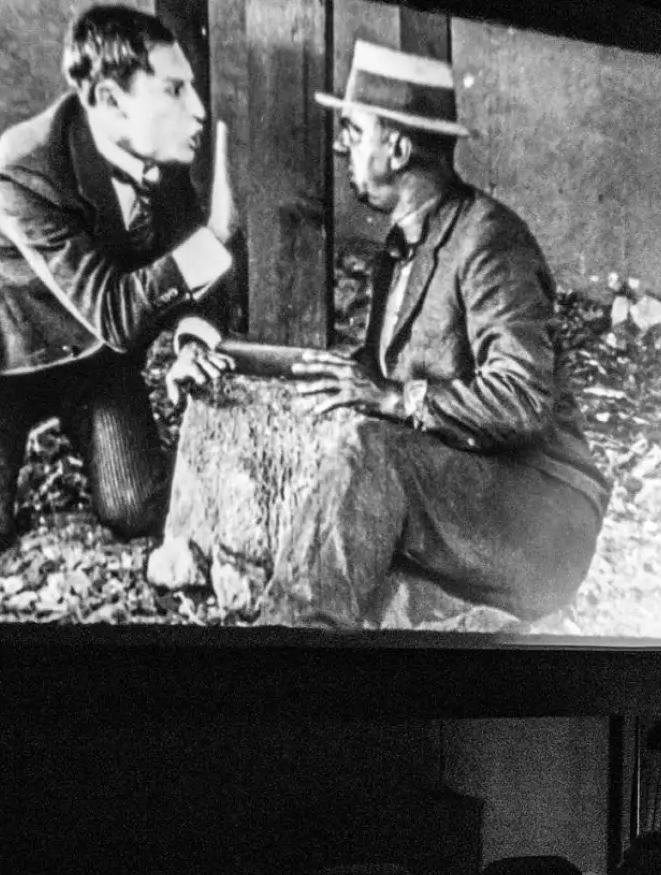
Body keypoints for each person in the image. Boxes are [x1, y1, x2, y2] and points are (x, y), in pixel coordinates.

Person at [252, 39, 609, 627]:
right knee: (370, 567)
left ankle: (285, 651)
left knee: (373, 452)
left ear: (396, 148)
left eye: (353, 131)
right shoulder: (400, 250)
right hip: (466, 502)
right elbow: (383, 387)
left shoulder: (489, 240)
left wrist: (398, 399)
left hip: (541, 518)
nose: (343, 147)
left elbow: (522, 399)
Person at [0, 5, 239, 557]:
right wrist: (217, 236)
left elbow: (189, 273)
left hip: (94, 359)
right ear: (109, 100)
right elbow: (116, 311)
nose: (198, 111)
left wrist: (193, 338)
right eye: (175, 91)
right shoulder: (22, 170)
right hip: (1, 361)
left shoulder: (160, 149)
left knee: (138, 508)